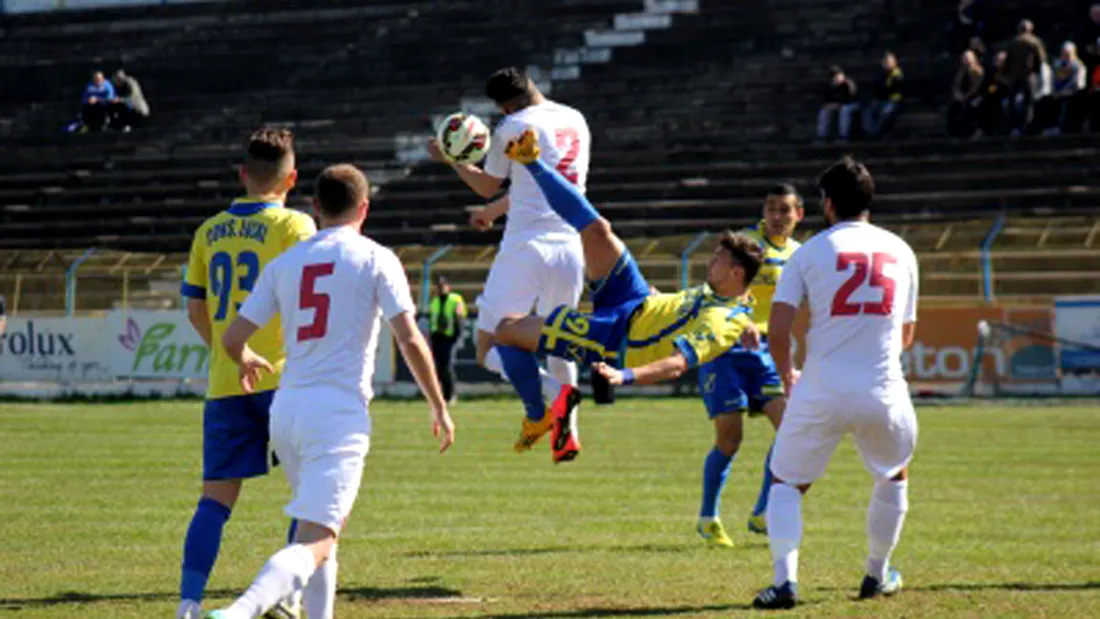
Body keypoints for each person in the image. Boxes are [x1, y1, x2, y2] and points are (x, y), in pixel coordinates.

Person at [207, 164, 455, 619]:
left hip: (287, 410)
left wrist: (244, 358)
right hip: (337, 413)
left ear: (315, 207)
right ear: (364, 207)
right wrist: (438, 404)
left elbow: (231, 337)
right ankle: (242, 610)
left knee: (320, 532)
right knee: (318, 539)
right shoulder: (377, 257)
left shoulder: (286, 263)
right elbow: (410, 338)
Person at [491, 130, 762, 458]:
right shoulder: (719, 293)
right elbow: (675, 312)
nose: (711, 260)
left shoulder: (722, 321)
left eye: (719, 259)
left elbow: (677, 364)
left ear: (736, 274)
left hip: (617, 336)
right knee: (597, 229)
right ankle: (531, 161)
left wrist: (625, 375)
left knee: (505, 331)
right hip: (635, 297)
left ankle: (537, 415)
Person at [752, 157, 919, 610]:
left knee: (785, 482)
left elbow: (779, 328)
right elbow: (905, 335)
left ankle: (785, 583)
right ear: (870, 201)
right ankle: (876, 573)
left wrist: (787, 377)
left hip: (822, 386)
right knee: (893, 474)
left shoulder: (808, 252)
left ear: (827, 205)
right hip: (883, 387)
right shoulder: (901, 250)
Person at [176, 128, 317, 619]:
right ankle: (289, 596)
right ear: (292, 179)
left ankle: (188, 603)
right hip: (286, 382)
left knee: (214, 502)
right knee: (309, 496)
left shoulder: (207, 230)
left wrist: (230, 353)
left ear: (242, 174)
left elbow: (195, 309)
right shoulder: (295, 226)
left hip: (226, 381)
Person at [428, 66, 587, 463]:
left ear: (505, 106)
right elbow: (539, 183)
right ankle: (567, 435)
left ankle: (551, 398)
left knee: (489, 346)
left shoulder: (513, 125)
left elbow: (486, 183)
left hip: (527, 247)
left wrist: (450, 159)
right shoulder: (575, 119)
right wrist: (494, 212)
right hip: (572, 244)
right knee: (559, 342)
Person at [694, 184, 803, 548]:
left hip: (767, 353)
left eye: (784, 210)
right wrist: (742, 318)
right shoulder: (745, 246)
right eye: (771, 208)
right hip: (726, 348)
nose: (776, 216)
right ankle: (708, 518)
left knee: (789, 430)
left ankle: (763, 512)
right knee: (730, 438)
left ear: (797, 215)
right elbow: (715, 286)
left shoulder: (801, 256)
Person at [1003, 19, 1049, 136]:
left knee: (1013, 101)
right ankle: (1027, 126)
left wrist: (1007, 73)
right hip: (1029, 75)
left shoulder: (1013, 42)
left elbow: (1007, 61)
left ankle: (1014, 127)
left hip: (1015, 75)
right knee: (1029, 102)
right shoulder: (1035, 42)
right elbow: (1041, 59)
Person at [429, 274, 466, 403]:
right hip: (436, 337)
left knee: (446, 366)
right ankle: (441, 395)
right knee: (438, 367)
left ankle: (450, 395)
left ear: (448, 287)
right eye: (438, 287)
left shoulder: (455, 299)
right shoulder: (435, 301)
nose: (440, 289)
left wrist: (457, 335)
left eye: (443, 286)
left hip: (449, 337)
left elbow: (459, 318)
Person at [1041, 42, 1088, 135]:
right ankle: (1050, 126)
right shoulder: (1057, 64)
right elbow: (1052, 79)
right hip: (1057, 93)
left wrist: (1062, 92)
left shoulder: (1078, 66)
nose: (1065, 55)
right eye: (1064, 53)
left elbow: (1077, 83)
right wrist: (1053, 91)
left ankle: (1065, 127)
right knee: (1046, 100)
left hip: (1072, 93)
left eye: (1068, 53)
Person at [862, 52, 905, 139]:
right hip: (881, 99)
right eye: (886, 61)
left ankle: (878, 133)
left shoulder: (898, 74)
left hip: (894, 101)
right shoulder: (881, 74)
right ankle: (871, 132)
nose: (888, 63)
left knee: (885, 112)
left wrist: (885, 90)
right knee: (867, 111)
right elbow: (877, 88)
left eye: (890, 61)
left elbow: (893, 89)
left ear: (895, 62)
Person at [948, 50, 986, 137]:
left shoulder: (978, 71)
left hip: (976, 96)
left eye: (968, 58)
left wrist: (966, 96)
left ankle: (970, 130)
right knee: (953, 107)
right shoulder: (960, 71)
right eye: (964, 58)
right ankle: (954, 132)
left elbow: (976, 87)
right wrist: (957, 94)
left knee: (970, 106)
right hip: (962, 96)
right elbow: (956, 85)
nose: (966, 60)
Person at [816, 66, 859, 143]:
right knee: (824, 111)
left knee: (844, 110)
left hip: (852, 105)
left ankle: (843, 136)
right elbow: (826, 101)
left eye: (838, 75)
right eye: (834, 77)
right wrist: (830, 105)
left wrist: (838, 104)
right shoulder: (831, 87)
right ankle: (822, 135)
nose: (837, 78)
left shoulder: (848, 84)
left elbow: (850, 99)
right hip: (837, 105)